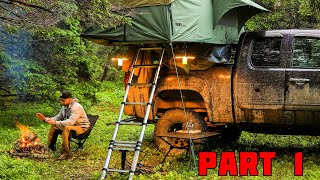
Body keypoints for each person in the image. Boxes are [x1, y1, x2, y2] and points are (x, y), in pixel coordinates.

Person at [36, 90, 90, 160]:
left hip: (82, 128)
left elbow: (70, 122)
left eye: (63, 100)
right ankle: (50, 148)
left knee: (66, 128)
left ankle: (67, 152)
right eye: (60, 100)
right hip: (71, 126)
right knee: (54, 127)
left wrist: (55, 122)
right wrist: (45, 119)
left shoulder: (76, 107)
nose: (61, 102)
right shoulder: (64, 106)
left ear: (70, 99)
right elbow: (58, 117)